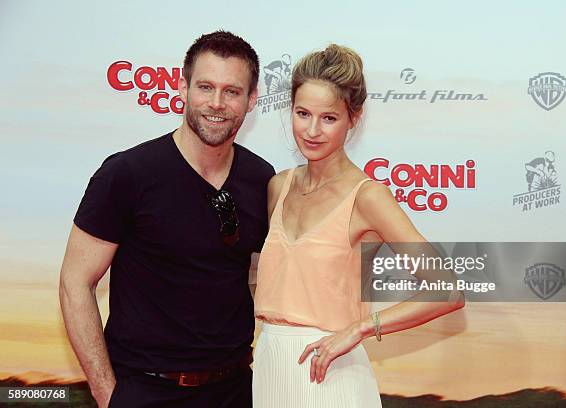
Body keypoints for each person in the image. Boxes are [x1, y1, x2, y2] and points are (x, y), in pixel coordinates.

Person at [59, 31, 274, 408]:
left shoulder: (261, 178)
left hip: (235, 390)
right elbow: (74, 283)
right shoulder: (128, 173)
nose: (217, 103)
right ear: (182, 87)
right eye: (205, 87)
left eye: (232, 91)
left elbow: (256, 277)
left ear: (252, 99)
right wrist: (108, 394)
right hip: (144, 390)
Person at [253, 44, 464, 407]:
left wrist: (361, 329)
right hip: (269, 368)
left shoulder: (367, 197)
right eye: (302, 113)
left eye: (329, 118)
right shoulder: (278, 186)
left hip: (332, 376)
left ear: (354, 117)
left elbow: (447, 290)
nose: (312, 130)